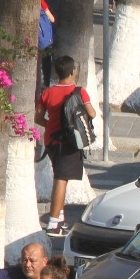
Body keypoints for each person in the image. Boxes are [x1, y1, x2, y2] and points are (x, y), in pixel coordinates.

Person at [38, 55, 98, 237]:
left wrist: (51, 124)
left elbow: (38, 117)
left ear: (57, 72)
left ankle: (61, 219)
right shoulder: (79, 92)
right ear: (73, 71)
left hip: (50, 141)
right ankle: (53, 223)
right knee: (61, 179)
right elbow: (92, 114)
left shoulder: (47, 93)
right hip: (68, 142)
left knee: (59, 175)